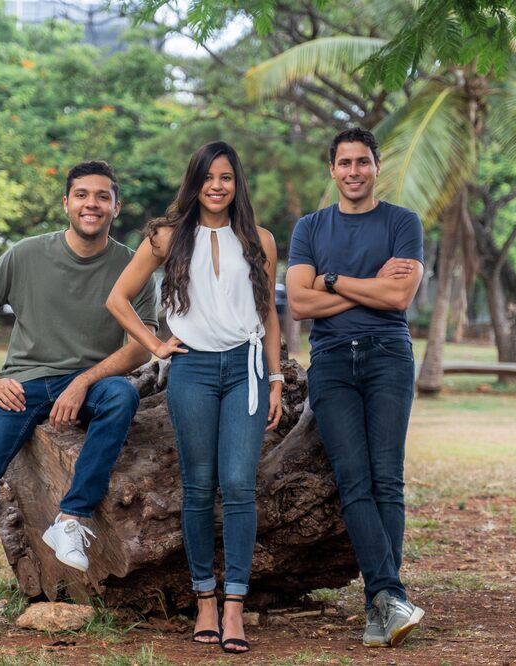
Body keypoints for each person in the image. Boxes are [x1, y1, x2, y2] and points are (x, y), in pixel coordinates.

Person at [0, 161, 158, 637]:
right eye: (82, 195)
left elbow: (141, 345)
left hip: (92, 383)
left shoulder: (131, 265)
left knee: (121, 395)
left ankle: (71, 516)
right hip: (22, 385)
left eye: (102, 197)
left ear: (116, 207)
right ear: (66, 203)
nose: (91, 204)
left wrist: (84, 381)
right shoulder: (26, 254)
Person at [106, 141, 282, 655]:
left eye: (226, 177)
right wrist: (157, 345)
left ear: (236, 183)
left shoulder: (260, 240)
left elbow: (269, 314)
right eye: (208, 176)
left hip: (246, 369)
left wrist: (275, 379)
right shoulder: (166, 237)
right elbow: (117, 299)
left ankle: (234, 606)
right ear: (195, 181)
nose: (217, 185)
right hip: (192, 369)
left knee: (238, 484)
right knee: (200, 485)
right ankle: (204, 596)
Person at [286, 127, 425, 648]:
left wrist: (330, 280)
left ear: (376, 167)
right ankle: (389, 597)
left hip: (388, 355)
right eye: (344, 163)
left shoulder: (401, 222)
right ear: (332, 170)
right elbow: (298, 304)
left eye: (362, 162)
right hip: (330, 363)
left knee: (386, 479)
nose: (353, 171)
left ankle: (380, 605)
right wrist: (365, 285)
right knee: (354, 479)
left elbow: (399, 298)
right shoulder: (310, 226)